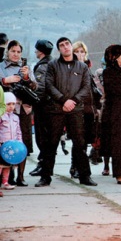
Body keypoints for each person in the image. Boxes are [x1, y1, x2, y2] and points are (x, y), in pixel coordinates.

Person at [35, 37, 97, 187]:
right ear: (59, 49)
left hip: (76, 109)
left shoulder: (82, 67)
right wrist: (63, 100)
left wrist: (73, 101)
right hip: (57, 109)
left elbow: (86, 87)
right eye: (61, 45)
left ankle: (85, 176)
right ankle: (45, 177)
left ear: (71, 46)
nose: (65, 47)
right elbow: (49, 85)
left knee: (80, 143)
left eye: (67, 44)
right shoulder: (53, 65)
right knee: (51, 144)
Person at [0, 40, 37, 187]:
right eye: (13, 51)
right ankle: (6, 176)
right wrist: (5, 80)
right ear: (8, 52)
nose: (16, 54)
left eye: (18, 52)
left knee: (23, 141)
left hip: (23, 109)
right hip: (5, 109)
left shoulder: (25, 67)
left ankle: (21, 176)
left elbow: (35, 86)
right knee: (4, 141)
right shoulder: (1, 66)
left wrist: (27, 77)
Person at [100, 44, 121, 184]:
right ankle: (119, 173)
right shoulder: (108, 72)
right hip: (116, 112)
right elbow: (115, 90)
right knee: (118, 143)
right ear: (115, 57)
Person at [68, 41, 97, 179]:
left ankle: (76, 165)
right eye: (77, 52)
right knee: (79, 140)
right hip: (77, 109)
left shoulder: (87, 68)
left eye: (82, 52)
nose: (80, 54)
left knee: (85, 140)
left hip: (89, 110)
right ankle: (78, 166)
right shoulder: (71, 68)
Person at [30, 39, 54, 177]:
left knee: (42, 137)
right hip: (51, 106)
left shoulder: (42, 66)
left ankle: (43, 164)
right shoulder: (53, 63)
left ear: (40, 51)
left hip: (43, 106)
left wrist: (34, 100)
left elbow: (41, 88)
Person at [0, 92, 21, 193]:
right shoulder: (1, 116)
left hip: (12, 145)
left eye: (13, 104)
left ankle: (5, 182)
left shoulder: (16, 118)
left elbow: (18, 131)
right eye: (8, 104)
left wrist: (19, 142)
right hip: (2, 144)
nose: (11, 106)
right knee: (0, 165)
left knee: (8, 165)